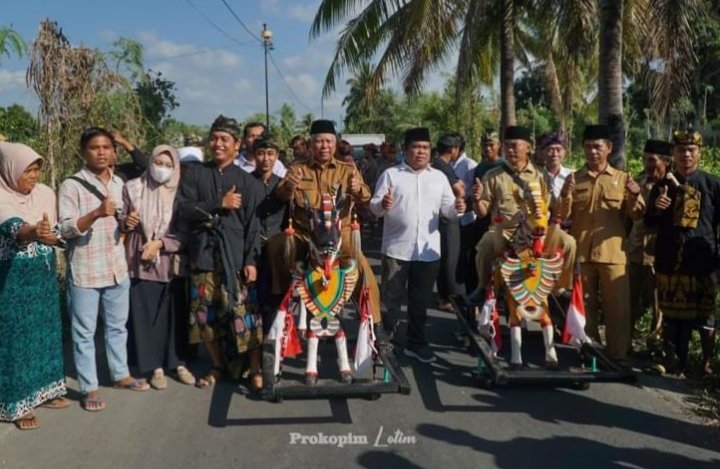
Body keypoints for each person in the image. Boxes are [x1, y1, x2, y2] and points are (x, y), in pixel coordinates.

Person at [59, 127, 150, 413]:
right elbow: (65, 229)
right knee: (84, 333)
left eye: (107, 148)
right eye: (95, 148)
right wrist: (96, 213)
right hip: (85, 270)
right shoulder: (70, 185)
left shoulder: (118, 183)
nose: (102, 152)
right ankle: (89, 387)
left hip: (115, 267)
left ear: (114, 151)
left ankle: (120, 374)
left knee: (117, 327)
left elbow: (119, 223)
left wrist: (128, 222)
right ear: (83, 152)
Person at [178, 115, 264, 390]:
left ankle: (254, 368)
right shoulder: (196, 175)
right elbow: (185, 210)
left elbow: (254, 226)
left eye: (224, 139)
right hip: (203, 257)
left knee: (244, 314)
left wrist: (251, 260)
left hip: (236, 258)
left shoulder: (248, 182)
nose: (217, 144)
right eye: (214, 138)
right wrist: (219, 203)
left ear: (236, 145)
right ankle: (217, 365)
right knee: (203, 316)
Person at [272, 119, 382, 325]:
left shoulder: (347, 169)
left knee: (362, 269)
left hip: (340, 235)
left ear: (335, 143)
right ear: (311, 144)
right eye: (319, 141)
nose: (324, 146)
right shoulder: (297, 169)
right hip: (305, 234)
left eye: (328, 142)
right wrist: (289, 187)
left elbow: (366, 197)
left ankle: (375, 326)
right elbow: (280, 195)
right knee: (279, 248)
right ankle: (278, 311)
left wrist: (358, 189)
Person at [370, 127, 466, 363]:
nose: (420, 152)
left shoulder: (439, 178)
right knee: (391, 301)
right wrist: (383, 203)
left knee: (420, 302)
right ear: (406, 150)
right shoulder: (391, 175)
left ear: (430, 151)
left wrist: (458, 208)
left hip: (428, 252)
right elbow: (374, 208)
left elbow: (448, 211)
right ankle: (386, 343)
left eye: (424, 148)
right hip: (396, 250)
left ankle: (417, 343)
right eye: (415, 147)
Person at [556, 124, 645, 361]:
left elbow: (637, 215)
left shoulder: (623, 178)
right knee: (585, 308)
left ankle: (617, 356)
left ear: (609, 148)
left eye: (597, 147)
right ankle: (589, 352)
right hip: (582, 253)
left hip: (613, 255)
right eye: (587, 147)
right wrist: (565, 194)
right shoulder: (575, 179)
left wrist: (635, 195)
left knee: (618, 308)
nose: (592, 152)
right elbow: (561, 215)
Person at [0, 142, 68, 430]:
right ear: (9, 169)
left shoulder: (45, 194)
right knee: (16, 341)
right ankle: (17, 404)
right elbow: (14, 226)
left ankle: (47, 390)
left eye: (37, 169)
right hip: (12, 283)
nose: (34, 175)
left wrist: (53, 237)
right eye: (27, 170)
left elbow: (55, 230)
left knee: (46, 332)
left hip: (42, 278)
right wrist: (33, 232)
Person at [469, 126, 576, 303]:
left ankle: (560, 288)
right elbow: (482, 212)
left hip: (537, 232)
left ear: (528, 147)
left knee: (569, 243)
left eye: (515, 146)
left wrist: (566, 195)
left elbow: (555, 210)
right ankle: (482, 287)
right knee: (484, 247)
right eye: (507, 146)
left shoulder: (541, 175)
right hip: (504, 232)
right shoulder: (493, 175)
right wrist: (476, 199)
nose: (510, 150)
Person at [645, 128, 719, 376]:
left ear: (699, 152)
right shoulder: (662, 185)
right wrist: (656, 208)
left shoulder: (712, 184)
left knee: (705, 316)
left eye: (691, 150)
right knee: (673, 316)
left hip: (703, 259)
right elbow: (649, 223)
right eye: (680, 150)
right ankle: (675, 361)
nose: (686, 155)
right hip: (671, 258)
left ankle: (706, 364)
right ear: (673, 154)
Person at [122, 145, 195, 389]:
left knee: (175, 315)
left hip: (170, 262)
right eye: (157, 163)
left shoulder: (182, 193)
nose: (161, 169)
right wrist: (127, 221)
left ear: (175, 168)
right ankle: (156, 367)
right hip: (141, 261)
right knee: (146, 316)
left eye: (167, 165)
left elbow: (186, 233)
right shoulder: (133, 188)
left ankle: (178, 363)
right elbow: (121, 221)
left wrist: (161, 243)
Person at [626, 140, 672, 341]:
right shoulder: (638, 182)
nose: (647, 163)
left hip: (658, 254)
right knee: (629, 301)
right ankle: (624, 344)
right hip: (635, 252)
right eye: (645, 159)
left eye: (652, 159)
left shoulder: (673, 186)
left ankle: (655, 344)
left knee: (658, 306)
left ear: (666, 161)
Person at [251, 134, 289, 330]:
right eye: (260, 153)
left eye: (270, 154)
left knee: (278, 299)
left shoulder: (284, 185)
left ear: (277, 156)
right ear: (254, 156)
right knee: (254, 298)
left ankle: (275, 343)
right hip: (252, 249)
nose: (265, 159)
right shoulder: (245, 183)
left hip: (277, 251)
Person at [432, 134, 465, 311]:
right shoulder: (442, 166)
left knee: (445, 258)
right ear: (453, 150)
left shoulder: (437, 165)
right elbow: (459, 188)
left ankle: (444, 297)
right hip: (448, 217)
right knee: (451, 260)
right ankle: (450, 298)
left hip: (441, 217)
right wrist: (461, 192)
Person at [540, 130, 573, 199]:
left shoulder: (572, 176)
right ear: (543, 153)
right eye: (550, 150)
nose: (555, 154)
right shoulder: (536, 176)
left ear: (564, 153)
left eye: (558, 150)